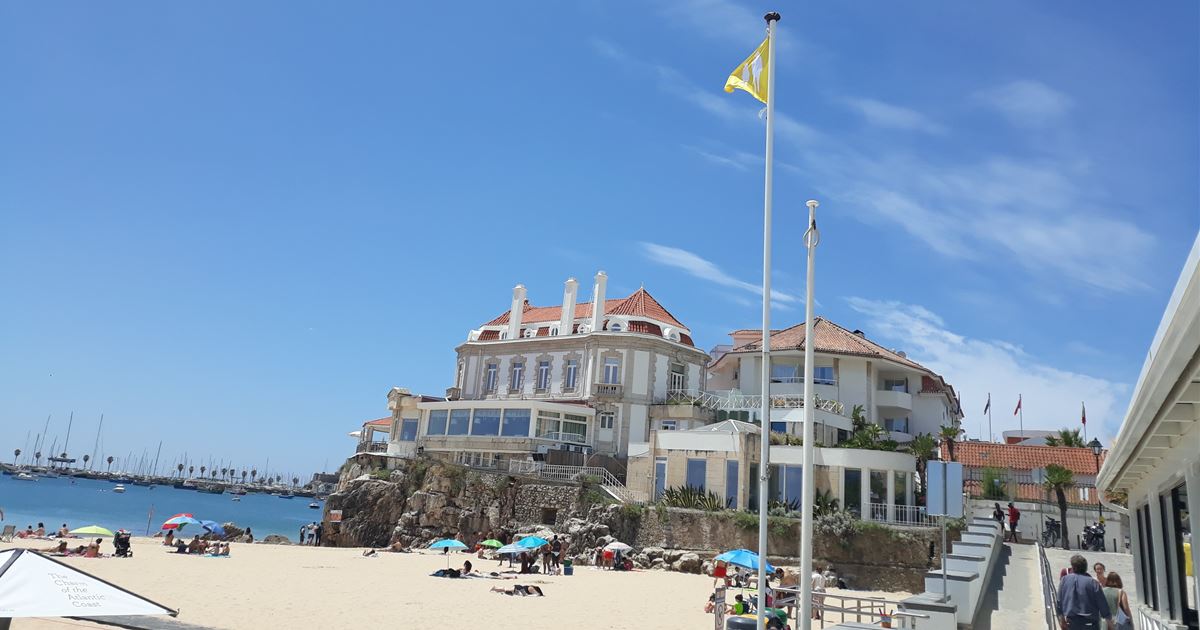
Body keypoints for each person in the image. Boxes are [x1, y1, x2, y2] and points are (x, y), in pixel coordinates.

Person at [1057, 554, 1112, 630]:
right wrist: (1109, 623)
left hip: (1072, 623)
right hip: (1090, 624)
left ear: (1073, 567)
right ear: (1085, 568)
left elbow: (1059, 601)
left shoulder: (1064, 580)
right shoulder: (1093, 582)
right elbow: (1102, 603)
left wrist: (1061, 619)